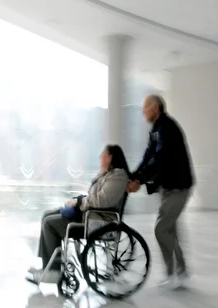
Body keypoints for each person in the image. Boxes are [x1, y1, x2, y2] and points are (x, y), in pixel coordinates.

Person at [27, 145, 130, 284]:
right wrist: (78, 201)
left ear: (111, 157)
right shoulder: (107, 174)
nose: (100, 158)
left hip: (98, 221)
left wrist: (80, 202)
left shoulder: (118, 176)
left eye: (103, 155)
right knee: (47, 215)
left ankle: (53, 271)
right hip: (90, 214)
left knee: (49, 223)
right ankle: (48, 264)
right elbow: (95, 196)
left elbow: (102, 200)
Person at [128, 95, 194, 289]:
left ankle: (177, 272)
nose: (143, 112)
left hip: (178, 188)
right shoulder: (156, 129)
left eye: (145, 108)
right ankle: (177, 273)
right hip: (168, 187)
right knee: (170, 230)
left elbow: (159, 159)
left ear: (155, 108)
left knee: (161, 229)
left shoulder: (167, 128)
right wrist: (135, 176)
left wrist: (139, 180)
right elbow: (148, 155)